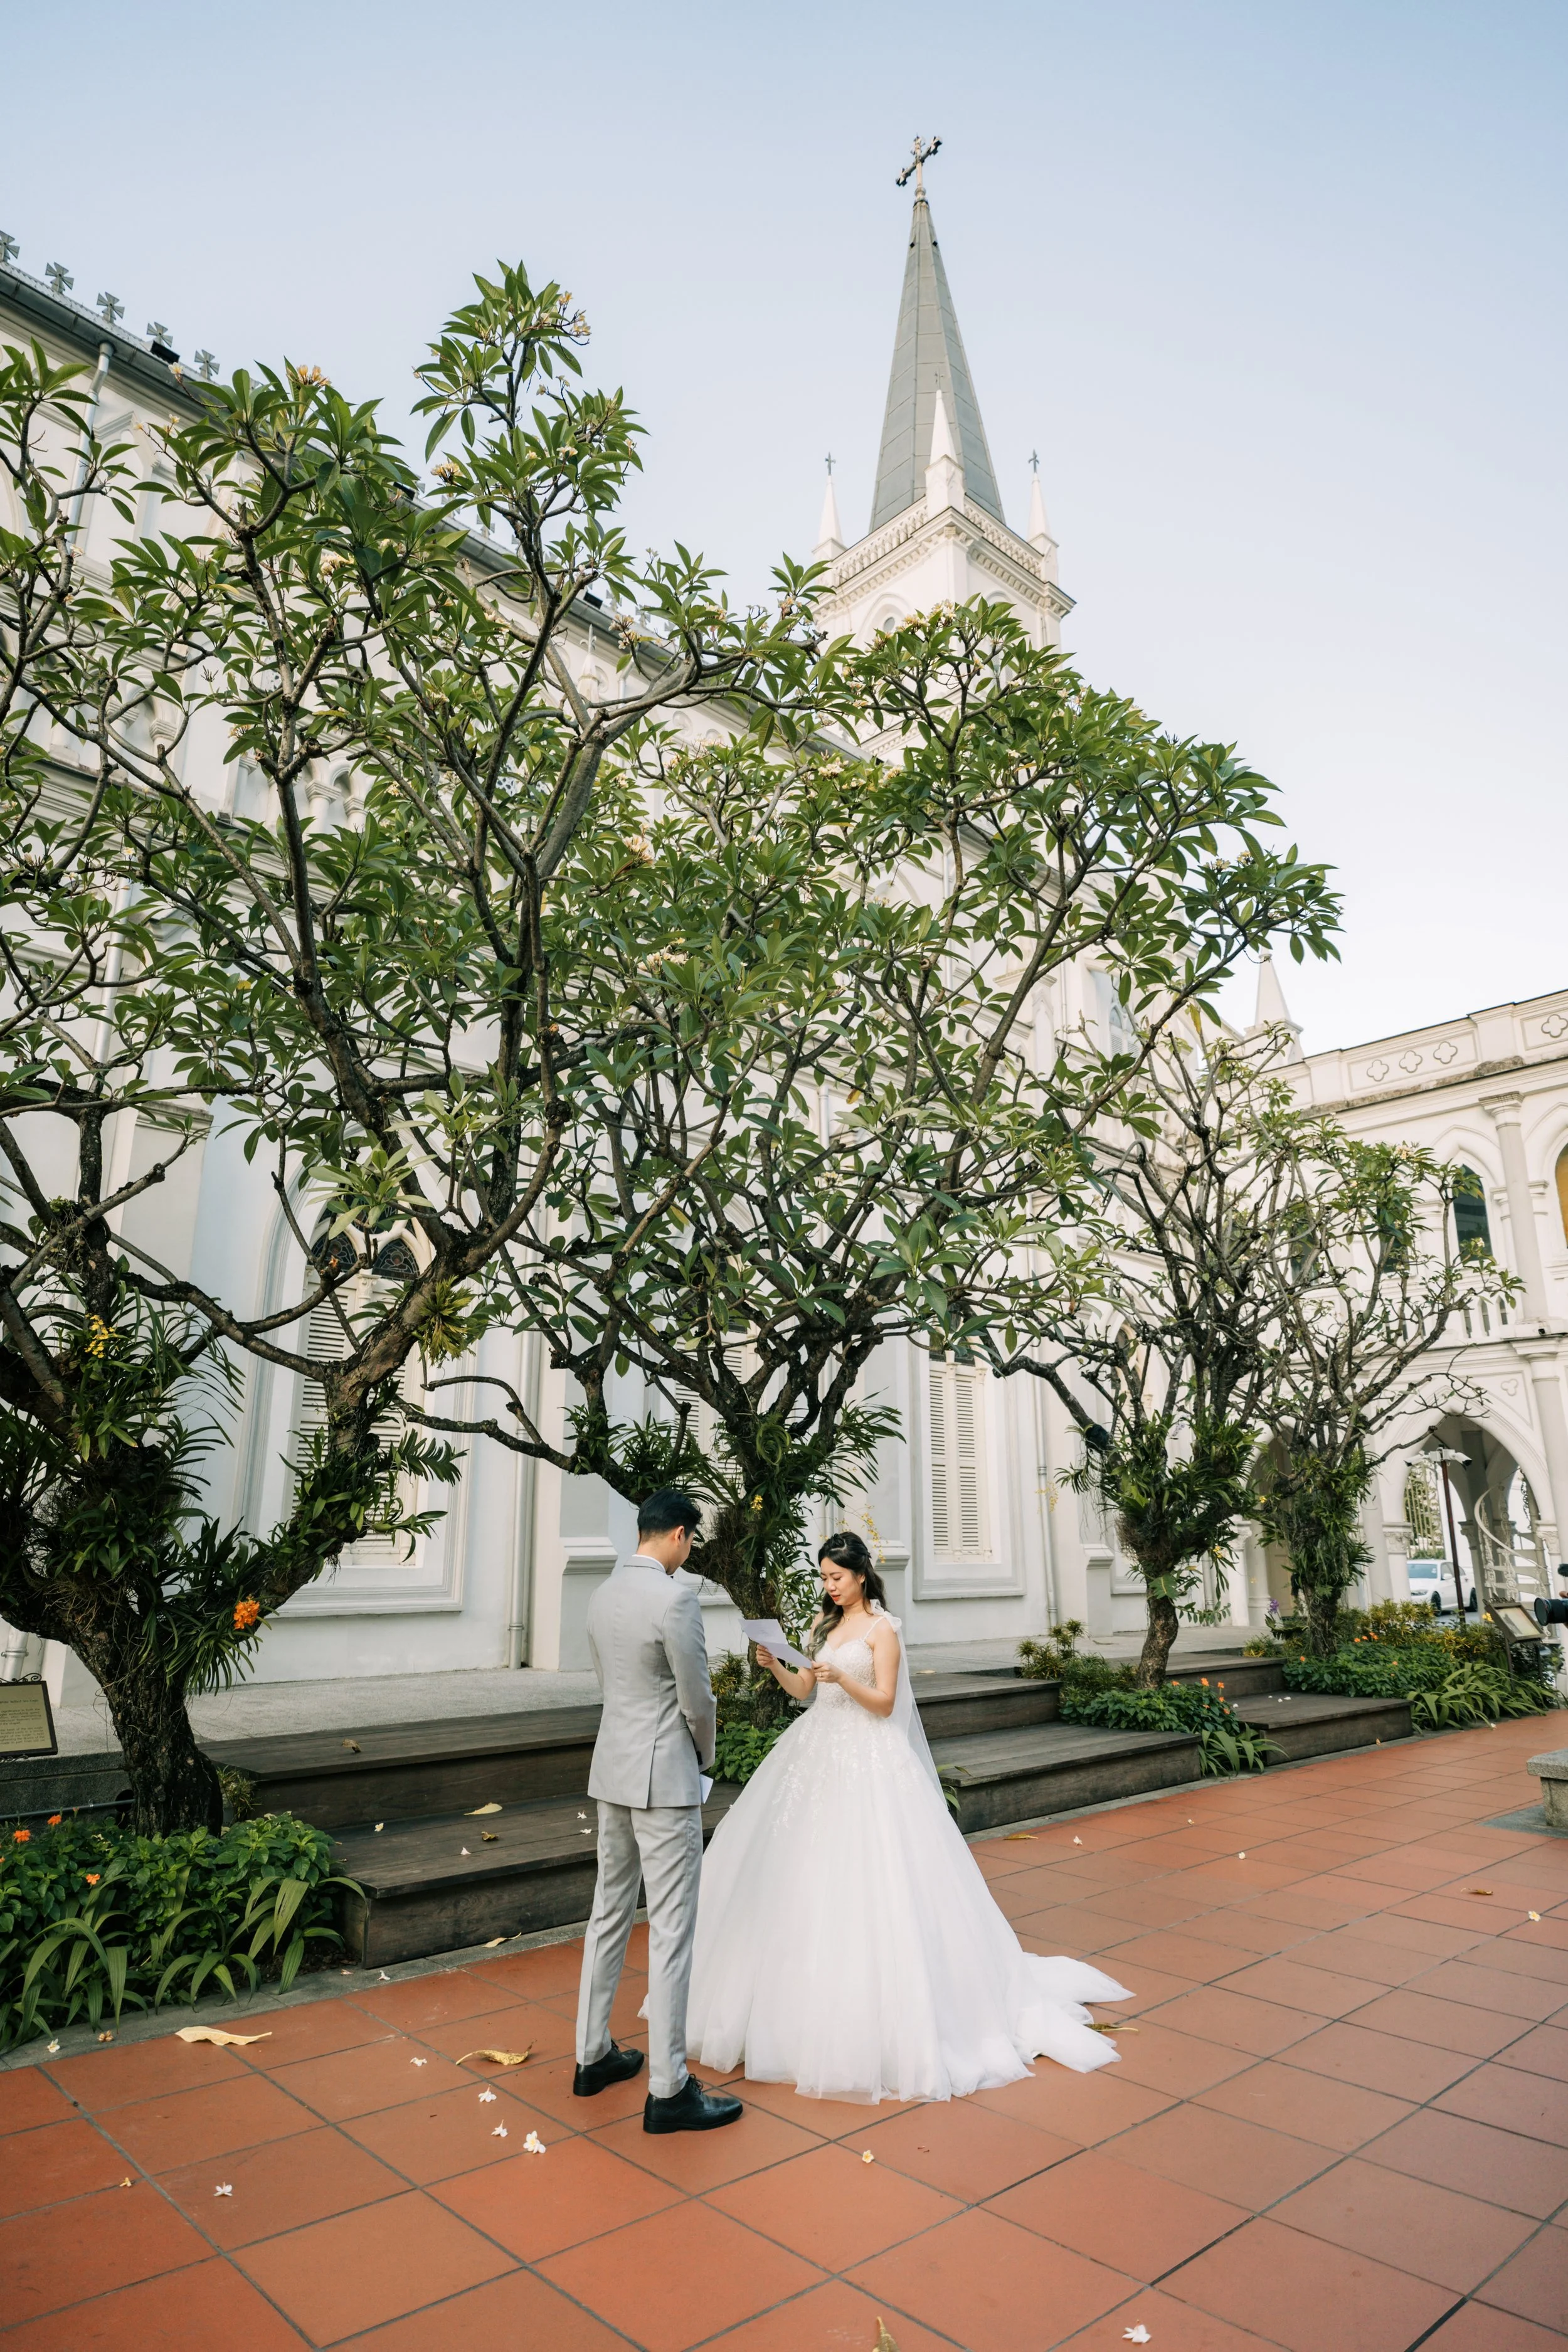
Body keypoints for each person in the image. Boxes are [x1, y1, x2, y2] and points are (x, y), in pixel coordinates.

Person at [683, 1530, 1132, 2104]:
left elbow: (885, 1703)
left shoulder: (882, 1629)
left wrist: (844, 1677)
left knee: (880, 1875)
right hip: (816, 1751)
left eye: (836, 1578)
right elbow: (803, 1692)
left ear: (861, 1576)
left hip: (869, 1759)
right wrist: (776, 1664)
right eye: (823, 1578)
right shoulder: (820, 1628)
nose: (828, 1587)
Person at [573, 1487, 743, 2134]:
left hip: (611, 1770)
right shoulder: (676, 1599)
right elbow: (697, 1700)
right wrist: (701, 1757)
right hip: (664, 1777)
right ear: (678, 1535)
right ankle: (669, 2090)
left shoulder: (601, 1594)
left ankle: (592, 2056)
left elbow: (608, 1685)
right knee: (672, 1929)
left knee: (609, 1912)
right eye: (690, 1541)